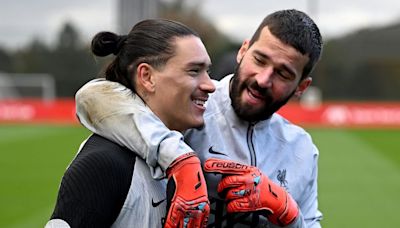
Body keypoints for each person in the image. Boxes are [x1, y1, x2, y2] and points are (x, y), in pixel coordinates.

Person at [74, 9, 324, 227]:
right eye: (259, 60)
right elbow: (93, 96)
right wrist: (180, 159)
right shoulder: (190, 106)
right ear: (243, 51)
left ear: (301, 87)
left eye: (282, 73)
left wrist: (290, 215)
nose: (263, 79)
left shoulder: (301, 149)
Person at [46, 19, 216, 228]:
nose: (210, 85)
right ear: (147, 76)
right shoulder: (104, 164)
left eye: (207, 70)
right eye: (194, 71)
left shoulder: (186, 151)